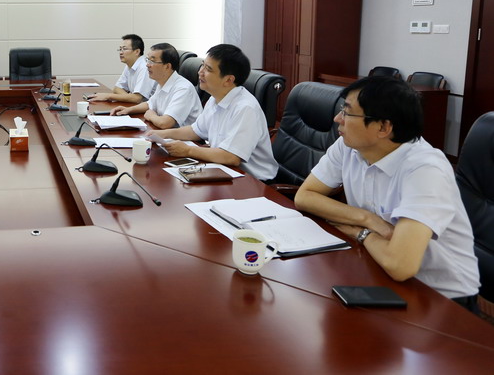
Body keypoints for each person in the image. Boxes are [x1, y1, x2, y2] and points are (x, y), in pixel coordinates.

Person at [294, 76, 480, 311]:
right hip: (377, 269)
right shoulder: (349, 146)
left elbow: (400, 266)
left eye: (347, 112)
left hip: (439, 298)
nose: (338, 118)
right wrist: (368, 219)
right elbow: (305, 196)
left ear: (383, 127)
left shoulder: (425, 170)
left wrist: (362, 233)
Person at [148, 44, 277, 181]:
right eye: (202, 65)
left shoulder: (245, 108)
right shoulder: (215, 99)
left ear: (228, 80)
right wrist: (162, 134)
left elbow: (231, 157)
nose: (200, 72)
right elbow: (195, 131)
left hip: (252, 181)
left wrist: (188, 150)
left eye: (208, 69)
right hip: (223, 170)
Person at [109, 42, 201, 129]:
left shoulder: (183, 89)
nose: (147, 65)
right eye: (147, 60)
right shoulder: (163, 82)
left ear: (167, 66)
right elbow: (150, 104)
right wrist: (128, 110)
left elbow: (165, 123)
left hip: (184, 138)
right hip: (168, 133)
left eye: (152, 61)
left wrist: (151, 116)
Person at [87, 34, 156, 104]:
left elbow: (137, 98)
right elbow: (117, 88)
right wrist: (130, 98)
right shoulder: (130, 65)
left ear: (137, 52)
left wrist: (108, 96)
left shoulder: (144, 67)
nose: (121, 52)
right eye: (120, 49)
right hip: (137, 106)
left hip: (150, 109)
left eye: (124, 49)